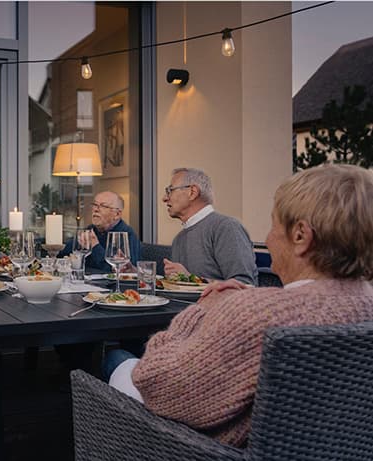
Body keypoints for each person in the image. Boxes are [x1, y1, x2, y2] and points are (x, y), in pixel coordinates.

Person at [103, 164, 373, 447]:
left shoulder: (256, 313)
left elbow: (154, 382)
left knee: (117, 360)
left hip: (198, 444)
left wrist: (200, 311)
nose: (267, 240)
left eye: (273, 225)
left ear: (301, 236)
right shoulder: (364, 306)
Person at [162, 167, 258, 284]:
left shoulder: (226, 228)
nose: (165, 198)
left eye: (170, 190)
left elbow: (245, 286)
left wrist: (191, 279)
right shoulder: (178, 239)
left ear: (192, 192)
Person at [60, 191, 140, 272]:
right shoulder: (90, 230)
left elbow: (125, 272)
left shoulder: (127, 235)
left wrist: (95, 246)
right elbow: (62, 255)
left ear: (117, 214)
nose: (96, 209)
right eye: (95, 205)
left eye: (103, 206)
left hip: (110, 284)